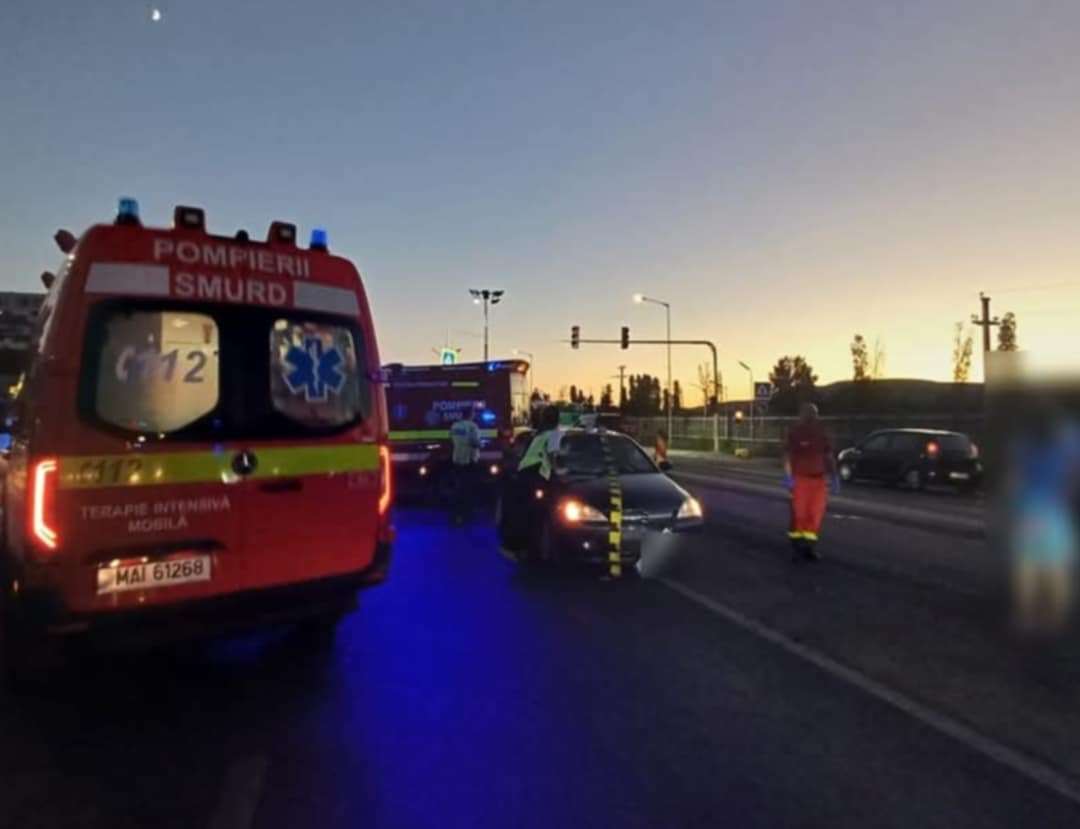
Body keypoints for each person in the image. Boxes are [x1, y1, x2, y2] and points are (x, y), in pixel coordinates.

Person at [783, 402, 839, 561]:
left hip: (818, 480)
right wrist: (789, 478)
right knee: (799, 514)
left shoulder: (821, 433)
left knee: (814, 515)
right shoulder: (795, 433)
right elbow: (787, 456)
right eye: (809, 413)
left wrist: (834, 477)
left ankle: (809, 547)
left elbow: (829, 455)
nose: (811, 417)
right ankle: (797, 545)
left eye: (813, 414)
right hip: (801, 479)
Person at [501, 405, 561, 552]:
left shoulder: (539, 434)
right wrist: (559, 470)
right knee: (537, 514)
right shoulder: (554, 434)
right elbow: (552, 455)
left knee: (527, 512)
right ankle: (531, 549)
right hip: (535, 474)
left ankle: (518, 546)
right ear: (557, 420)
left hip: (525, 474)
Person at [448, 406, 481, 524]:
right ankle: (466, 513)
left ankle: (456, 514)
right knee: (468, 488)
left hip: (457, 459)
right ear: (470, 414)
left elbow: (451, 440)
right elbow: (475, 442)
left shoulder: (454, 426)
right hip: (469, 460)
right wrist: (481, 444)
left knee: (458, 487)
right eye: (473, 413)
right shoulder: (472, 426)